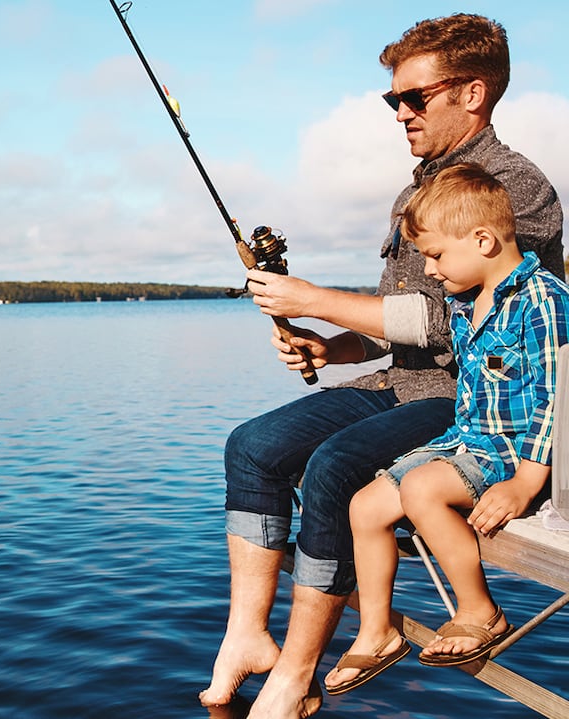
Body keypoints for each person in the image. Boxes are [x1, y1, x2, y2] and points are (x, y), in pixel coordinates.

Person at [199, 14, 564, 719]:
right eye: (391, 100)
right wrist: (332, 346)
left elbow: (450, 327)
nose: (399, 112)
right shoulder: (417, 190)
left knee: (335, 465)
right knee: (251, 446)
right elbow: (401, 318)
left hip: (466, 398)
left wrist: (316, 299)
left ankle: (295, 674)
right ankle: (246, 636)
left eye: (414, 98)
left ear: (473, 94)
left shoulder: (518, 189)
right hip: (398, 383)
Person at [321, 163, 569, 695]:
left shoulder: (544, 301)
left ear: (482, 240)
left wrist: (527, 481)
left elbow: (557, 399)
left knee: (421, 487)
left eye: (434, 255)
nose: (429, 270)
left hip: (520, 455)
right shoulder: (463, 303)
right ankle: (377, 632)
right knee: (364, 506)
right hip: (467, 440)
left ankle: (480, 609)